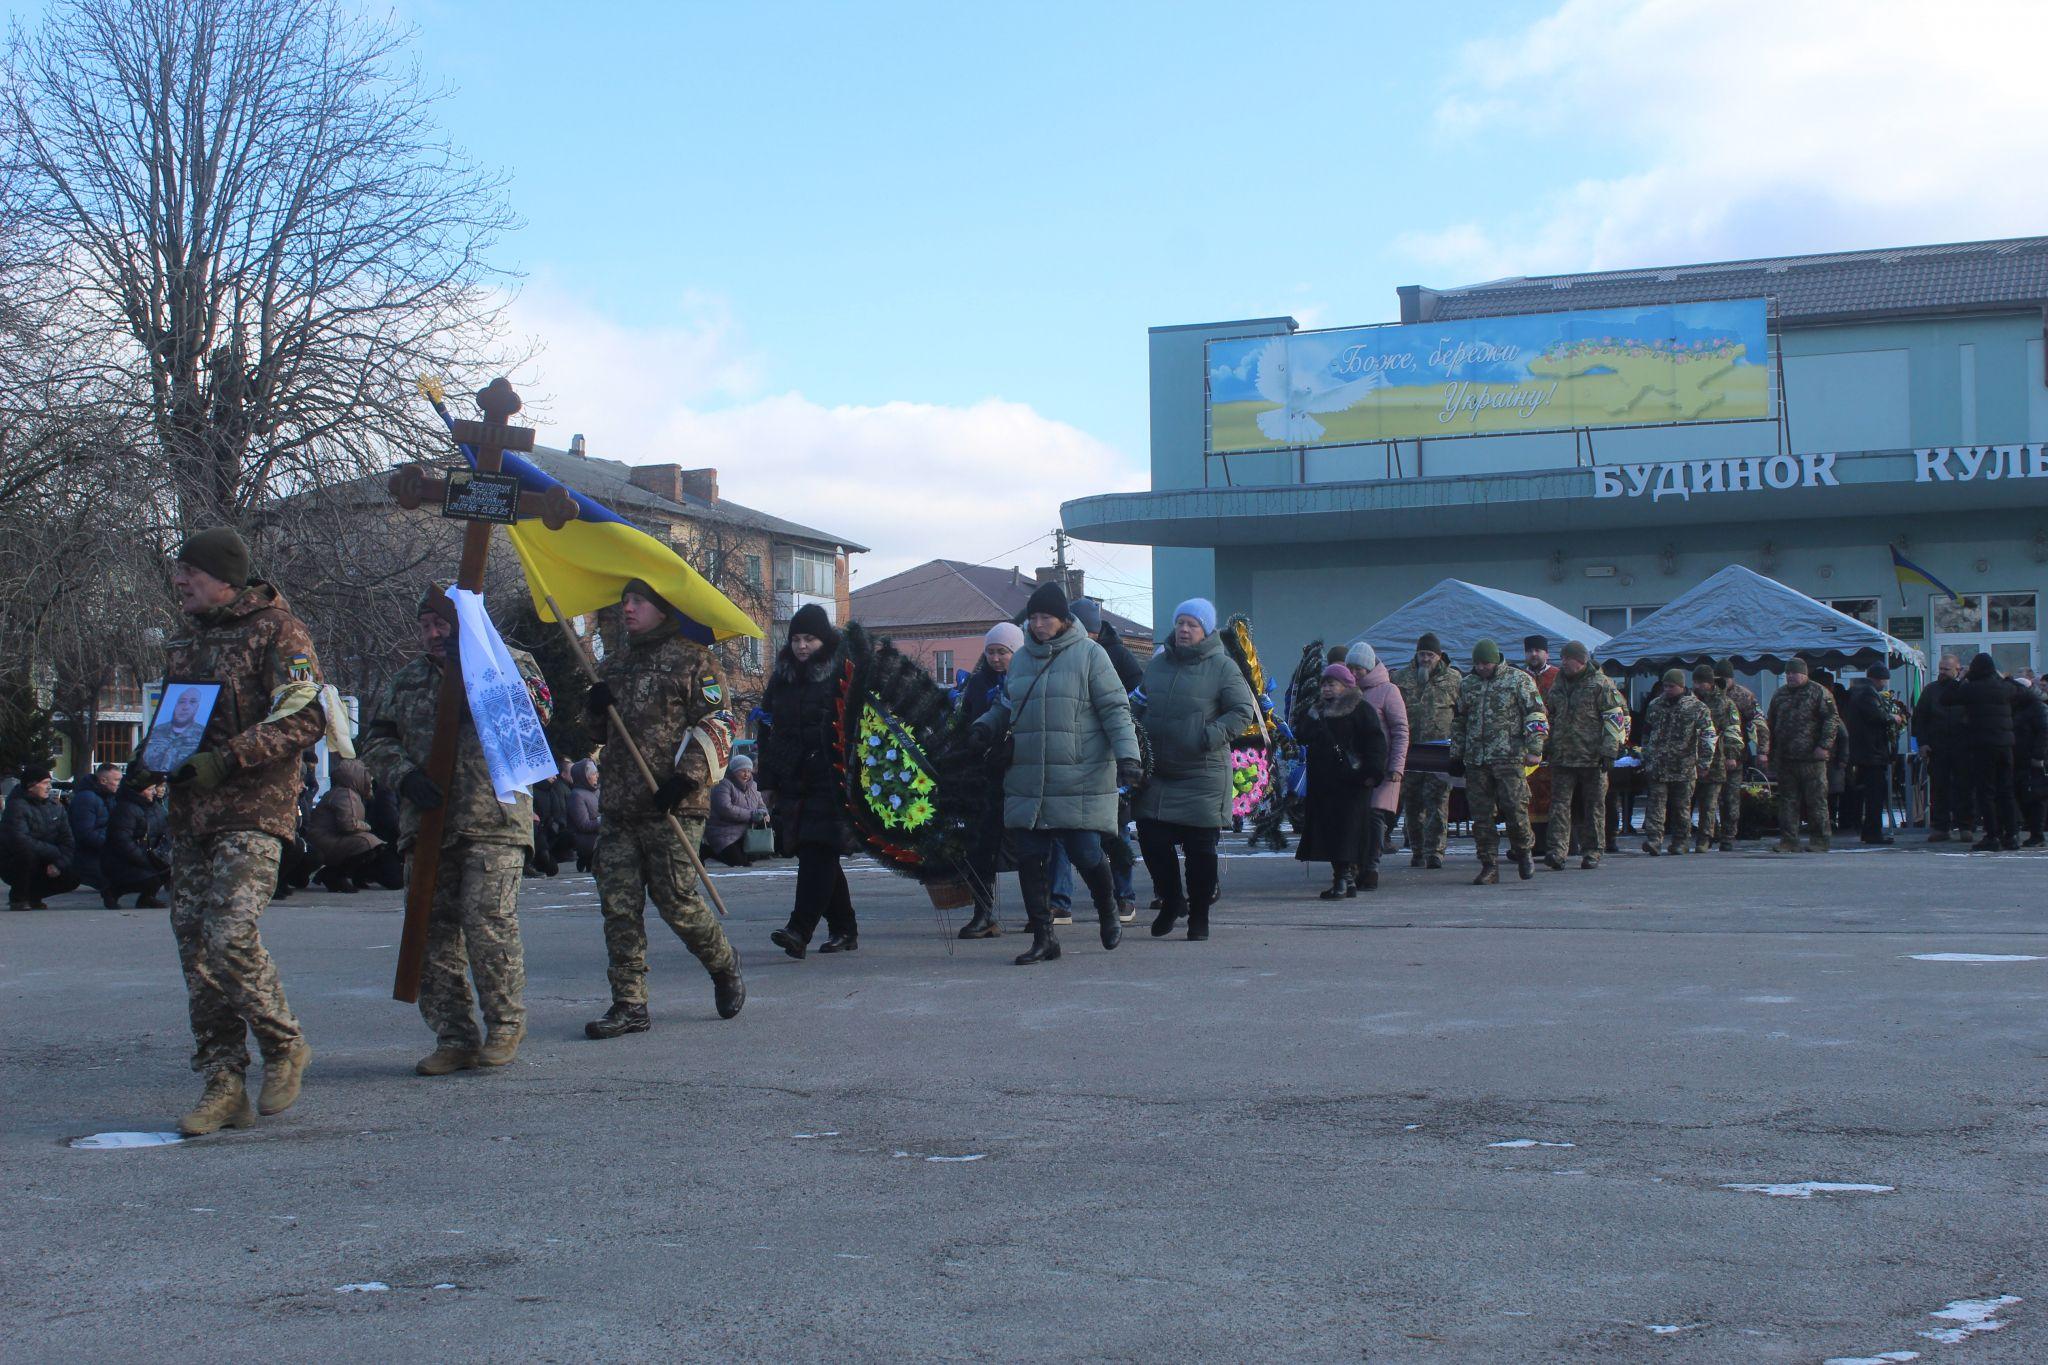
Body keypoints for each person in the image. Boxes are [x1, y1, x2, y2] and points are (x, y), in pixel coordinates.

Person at [149, 528, 324, 1135]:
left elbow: (306, 714)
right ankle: (224, 1086)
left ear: (223, 576)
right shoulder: (184, 639)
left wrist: (230, 757)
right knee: (196, 953)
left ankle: (284, 1044)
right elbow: (179, 718)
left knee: (228, 935)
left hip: (254, 808)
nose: (178, 582)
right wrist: (155, 760)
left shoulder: (278, 629)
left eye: (187, 573)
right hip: (192, 814)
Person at [361, 588, 544, 1074]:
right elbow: (375, 740)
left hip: (494, 819)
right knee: (431, 933)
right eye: (424, 625)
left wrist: (482, 699)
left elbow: (538, 718)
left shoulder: (507, 661)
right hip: (428, 825)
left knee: (488, 924)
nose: (433, 634)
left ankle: (505, 1025)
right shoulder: (408, 680)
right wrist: (404, 775)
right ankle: (454, 1035)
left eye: (440, 623)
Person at [580, 579, 745, 1037]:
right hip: (619, 806)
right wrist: (595, 707)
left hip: (674, 805)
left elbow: (719, 722)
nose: (628, 608)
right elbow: (597, 733)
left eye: (638, 601)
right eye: (625, 601)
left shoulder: (695, 660)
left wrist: (685, 778)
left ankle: (723, 963)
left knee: (677, 902)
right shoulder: (614, 663)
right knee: (618, 906)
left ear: (660, 607)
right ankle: (629, 1004)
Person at [972, 579, 1140, 960]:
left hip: (1077, 774)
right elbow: (1006, 704)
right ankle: (1044, 938)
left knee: (1085, 852)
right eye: (1033, 618)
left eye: (1046, 617)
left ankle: (1107, 906)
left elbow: (1116, 709)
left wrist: (1129, 758)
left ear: (1063, 620)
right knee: (1030, 857)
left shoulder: (1091, 656)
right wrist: (985, 725)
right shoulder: (1022, 660)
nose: (1038, 624)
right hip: (1029, 774)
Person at [1134, 597, 1254, 936]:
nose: (1184, 630)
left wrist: (1207, 736)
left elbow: (1242, 711)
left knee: (1200, 850)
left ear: (1206, 631)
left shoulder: (1222, 667)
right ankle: (1172, 900)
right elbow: (1139, 703)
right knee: (1152, 839)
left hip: (1202, 773)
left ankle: (1200, 914)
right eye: (1180, 623)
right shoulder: (1158, 665)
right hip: (1159, 772)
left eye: (1192, 625)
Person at [763, 604, 858, 959]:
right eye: (797, 639)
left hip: (833, 778)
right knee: (817, 852)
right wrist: (768, 780)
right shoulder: (782, 677)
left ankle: (799, 929)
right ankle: (844, 928)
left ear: (825, 639)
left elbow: (859, 727)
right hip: (794, 777)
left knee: (818, 850)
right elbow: (768, 728)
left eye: (811, 639)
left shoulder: (843, 673)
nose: (802, 646)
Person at [1450, 639, 1548, 884]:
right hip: (1476, 759)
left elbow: (1536, 714)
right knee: (1481, 816)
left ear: (1496, 660)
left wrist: (1535, 747)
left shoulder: (1518, 680)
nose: (1482, 668)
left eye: (1486, 663)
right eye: (1478, 664)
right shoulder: (1468, 684)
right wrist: (1456, 754)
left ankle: (1524, 851)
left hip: (1509, 757)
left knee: (1515, 809)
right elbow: (1460, 721)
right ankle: (1489, 864)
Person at [1293, 664, 1388, 897]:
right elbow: (1302, 735)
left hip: (1353, 783)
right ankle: (1346, 880)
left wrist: (1372, 773)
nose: (1326, 689)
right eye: (1324, 684)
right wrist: (1312, 717)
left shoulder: (1361, 709)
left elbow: (1375, 743)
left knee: (1348, 831)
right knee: (1331, 831)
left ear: (1346, 686)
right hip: (1325, 785)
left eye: (1331, 684)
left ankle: (1343, 880)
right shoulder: (1318, 711)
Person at [955, 622, 1022, 938]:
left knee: (1028, 847)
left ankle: (1041, 911)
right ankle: (983, 913)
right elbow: (967, 719)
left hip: (1021, 773)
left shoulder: (1027, 679)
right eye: (991, 652)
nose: (996, 659)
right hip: (985, 774)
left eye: (1003, 652)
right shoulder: (978, 684)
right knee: (981, 846)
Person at [1541, 642, 1627, 870]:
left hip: (1592, 757)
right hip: (1562, 756)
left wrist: (1610, 750)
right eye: (1561, 658)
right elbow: (1550, 716)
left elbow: (1615, 718)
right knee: (1559, 805)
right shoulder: (1558, 685)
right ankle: (1557, 851)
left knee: (1594, 805)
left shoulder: (1601, 684)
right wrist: (1545, 744)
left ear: (1580, 660)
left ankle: (1592, 851)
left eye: (1567, 658)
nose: (1563, 662)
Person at [1940, 652, 2023, 851]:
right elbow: (2022, 690)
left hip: (1982, 746)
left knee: (1986, 792)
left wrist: (1961, 677)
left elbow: (1946, 698)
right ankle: (2011, 835)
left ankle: (1992, 835)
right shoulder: (2004, 688)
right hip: (2005, 745)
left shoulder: (1972, 689)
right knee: (2006, 791)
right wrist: (2005, 677)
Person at [1394, 632, 1461, 869]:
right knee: (1412, 804)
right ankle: (1417, 849)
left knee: (1438, 802)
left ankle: (1436, 851)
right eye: (1422, 654)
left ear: (1439, 656)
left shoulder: (1454, 679)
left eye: (1430, 655)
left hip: (1440, 752)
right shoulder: (1401, 678)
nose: (1425, 659)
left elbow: (1462, 714)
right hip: (1410, 752)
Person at [1345, 642, 1408, 890]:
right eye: (1350, 668)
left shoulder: (1388, 691)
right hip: (1354, 767)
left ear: (1369, 667)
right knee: (1355, 818)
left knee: (1374, 817)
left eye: (1358, 668)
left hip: (1382, 767)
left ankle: (1371, 867)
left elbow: (1401, 731)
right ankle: (1354, 865)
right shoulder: (1347, 691)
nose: (1354, 673)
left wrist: (1396, 767)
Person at [1766, 656, 1841, 853]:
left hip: (1811, 759)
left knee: (1816, 800)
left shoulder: (1819, 692)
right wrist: (1769, 752)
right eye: (1788, 673)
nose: (1790, 676)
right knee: (1787, 801)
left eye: (1794, 673)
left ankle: (1820, 840)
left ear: (1804, 674)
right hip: (1786, 758)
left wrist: (1824, 746)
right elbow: (1771, 723)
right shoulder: (1779, 695)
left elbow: (1832, 720)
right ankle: (1789, 840)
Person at [1638, 669, 1715, 856]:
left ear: (1681, 686)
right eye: (1665, 686)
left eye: (1671, 686)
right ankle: (1654, 839)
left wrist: (1704, 762)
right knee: (1656, 804)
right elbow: (1646, 732)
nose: (1667, 690)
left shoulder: (1697, 707)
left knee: (1681, 806)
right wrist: (1646, 754)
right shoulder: (1655, 705)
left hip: (1684, 766)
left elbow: (1709, 735)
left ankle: (1681, 841)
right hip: (1658, 765)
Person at [304, 758, 401, 892]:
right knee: (368, 843)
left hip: (323, 838)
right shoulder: (346, 795)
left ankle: (342, 874)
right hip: (325, 840)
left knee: (368, 842)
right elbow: (348, 825)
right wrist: (367, 827)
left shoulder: (346, 793)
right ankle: (335, 874)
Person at [1912, 654, 1974, 841]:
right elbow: (1919, 718)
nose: (1942, 673)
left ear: (1957, 669)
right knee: (1939, 788)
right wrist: (1922, 743)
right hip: (1937, 747)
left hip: (1962, 747)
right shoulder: (1931, 690)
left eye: (1946, 669)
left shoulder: (1966, 690)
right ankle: (1940, 827)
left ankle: (1965, 826)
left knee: (1964, 788)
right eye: (1940, 669)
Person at [3, 765, 78, 908]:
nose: (49, 787)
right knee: (27, 855)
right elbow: (20, 840)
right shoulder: (16, 806)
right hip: (14, 862)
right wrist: (54, 853)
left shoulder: (56, 807)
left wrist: (59, 863)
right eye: (44, 783)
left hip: (47, 859)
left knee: (73, 875)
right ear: (31, 786)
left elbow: (68, 841)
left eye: (49, 783)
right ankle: (19, 897)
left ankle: (33, 896)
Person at [1688, 665, 1745, 852]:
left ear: (1710, 683)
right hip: (1692, 761)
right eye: (1695, 682)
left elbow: (1733, 732)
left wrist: (1731, 755)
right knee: (1698, 802)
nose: (1697, 686)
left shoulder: (1725, 704)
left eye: (1701, 682)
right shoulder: (1690, 701)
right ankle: (1705, 836)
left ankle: (1723, 836)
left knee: (1719, 802)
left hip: (1718, 760)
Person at [1843, 665, 1902, 845]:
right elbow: (1876, 716)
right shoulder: (1868, 694)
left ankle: (1868, 831)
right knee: (1875, 795)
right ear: (1879, 678)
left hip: (1864, 753)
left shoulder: (1858, 693)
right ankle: (1872, 832)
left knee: (1867, 793)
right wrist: (1893, 717)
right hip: (1872, 754)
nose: (1885, 683)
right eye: (1884, 679)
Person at [1713, 659, 1768, 848]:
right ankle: (1712, 832)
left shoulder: (1744, 696)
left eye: (1724, 679)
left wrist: (1762, 751)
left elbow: (1760, 724)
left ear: (1731, 678)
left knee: (1731, 798)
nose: (1720, 682)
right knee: (1712, 798)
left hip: (1736, 755)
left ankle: (1728, 835)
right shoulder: (1709, 695)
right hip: (1710, 756)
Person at [102, 774, 170, 908]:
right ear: (139, 791)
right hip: (122, 861)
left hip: (147, 854)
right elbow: (122, 841)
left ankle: (147, 897)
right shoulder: (126, 808)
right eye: (150, 789)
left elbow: (163, 830)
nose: (154, 792)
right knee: (151, 876)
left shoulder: (154, 806)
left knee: (169, 869)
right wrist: (146, 860)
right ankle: (113, 891)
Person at [704, 753, 770, 866]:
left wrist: (765, 813)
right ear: (734, 771)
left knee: (753, 858)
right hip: (723, 832)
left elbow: (761, 804)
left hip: (746, 832)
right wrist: (751, 815)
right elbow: (725, 808)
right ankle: (706, 850)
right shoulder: (723, 784)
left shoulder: (754, 786)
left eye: (749, 771)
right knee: (738, 862)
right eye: (742, 771)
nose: (746, 774)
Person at [68, 763, 121, 890]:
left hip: (102, 852)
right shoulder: (87, 799)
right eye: (116, 780)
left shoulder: (109, 797)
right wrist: (114, 843)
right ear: (103, 781)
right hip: (87, 855)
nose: (119, 784)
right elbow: (85, 834)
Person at [2010, 672, 2048, 846]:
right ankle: (2034, 831)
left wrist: (2038, 755)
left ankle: (2037, 833)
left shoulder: (2036, 707)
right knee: (2023, 795)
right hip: (2020, 757)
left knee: (2034, 797)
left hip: (2032, 759)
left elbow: (2043, 732)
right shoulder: (2019, 706)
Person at [566, 759, 600, 871]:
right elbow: (583, 825)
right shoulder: (576, 795)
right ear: (584, 777)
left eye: (596, 773)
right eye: (592, 774)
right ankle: (586, 859)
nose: (596, 776)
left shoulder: (597, 791)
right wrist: (603, 821)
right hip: (587, 840)